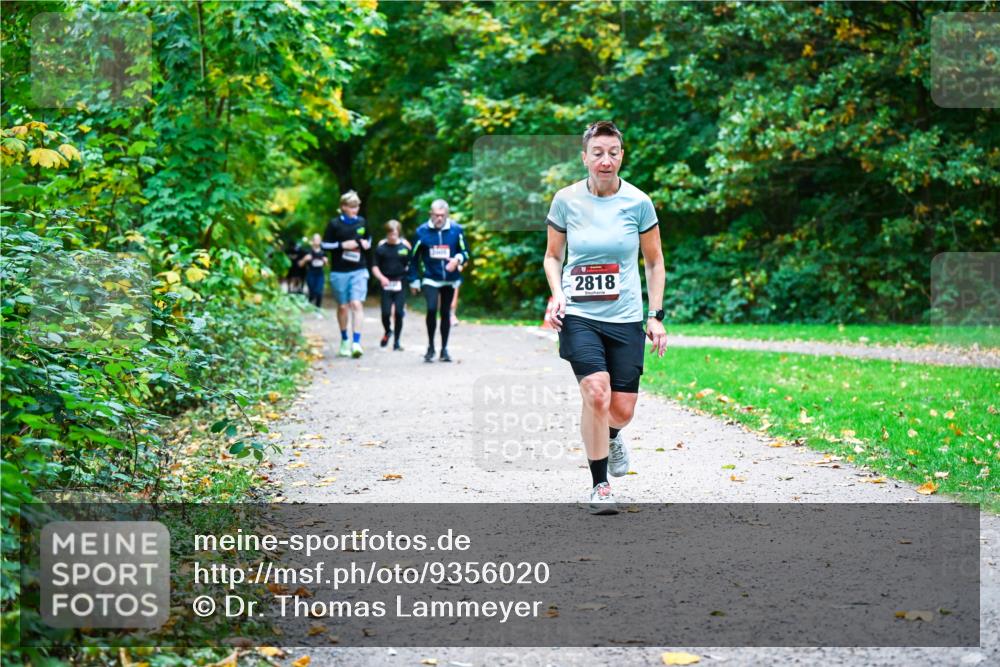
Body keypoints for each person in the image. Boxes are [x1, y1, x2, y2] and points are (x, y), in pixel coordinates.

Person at [542, 120, 668, 515]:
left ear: (621, 156)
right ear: (584, 157)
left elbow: (654, 262)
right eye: (597, 153)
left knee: (622, 409)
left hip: (626, 316)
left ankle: (611, 435)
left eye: (613, 152)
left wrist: (655, 314)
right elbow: (553, 256)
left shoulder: (638, 202)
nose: (605, 160)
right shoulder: (565, 200)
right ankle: (600, 486)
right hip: (579, 314)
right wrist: (557, 293)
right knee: (596, 393)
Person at [408, 199, 470, 363]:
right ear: (431, 214)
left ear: (447, 214)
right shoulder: (422, 231)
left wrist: (457, 260)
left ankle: (444, 349)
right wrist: (413, 279)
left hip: (450, 280)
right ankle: (430, 347)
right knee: (431, 308)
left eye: (442, 215)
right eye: (436, 215)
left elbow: (466, 253)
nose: (439, 219)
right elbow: (413, 258)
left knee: (445, 313)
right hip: (430, 278)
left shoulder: (456, 230)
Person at [322, 190, 372, 358]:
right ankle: (344, 339)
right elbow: (324, 245)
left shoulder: (362, 222)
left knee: (356, 304)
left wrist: (366, 244)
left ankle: (356, 343)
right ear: (343, 207)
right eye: (352, 207)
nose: (355, 210)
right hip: (339, 271)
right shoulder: (334, 224)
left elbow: (369, 238)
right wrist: (341, 245)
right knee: (343, 306)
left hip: (359, 268)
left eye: (357, 206)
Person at [373, 220, 412, 351]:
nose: (392, 237)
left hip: (400, 283)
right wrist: (381, 278)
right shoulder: (381, 249)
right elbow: (374, 267)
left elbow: (411, 263)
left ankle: (397, 342)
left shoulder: (404, 248)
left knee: (399, 313)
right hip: (386, 284)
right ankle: (388, 331)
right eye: (390, 234)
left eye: (395, 234)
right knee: (385, 313)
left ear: (398, 233)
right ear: (387, 234)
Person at [299, 233, 328, 308]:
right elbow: (300, 264)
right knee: (312, 291)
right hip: (310, 273)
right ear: (312, 241)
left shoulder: (323, 252)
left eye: (319, 239)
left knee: (319, 291)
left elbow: (327, 265)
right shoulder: (307, 251)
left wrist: (326, 262)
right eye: (316, 239)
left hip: (320, 273)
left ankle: (318, 309)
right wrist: (305, 259)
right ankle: (310, 300)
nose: (317, 241)